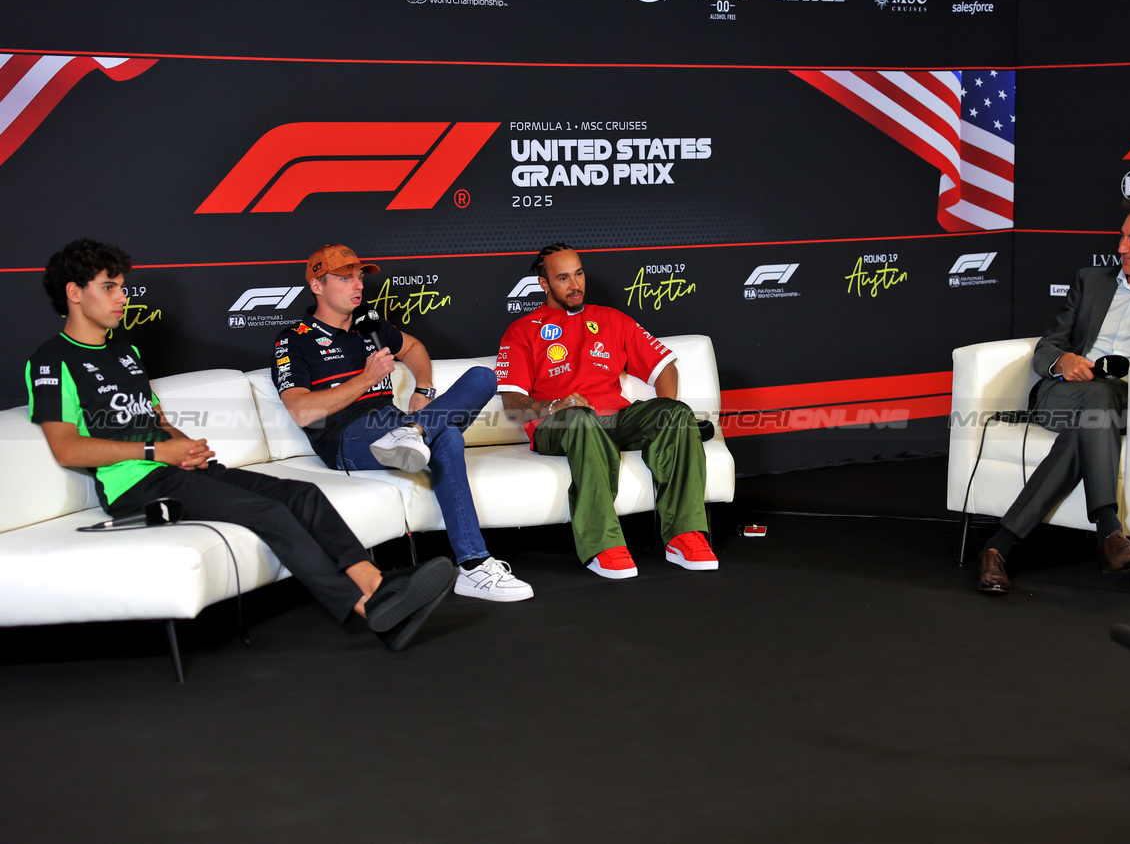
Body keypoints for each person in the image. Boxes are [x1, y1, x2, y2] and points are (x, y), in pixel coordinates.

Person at [27, 239, 454, 651]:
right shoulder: (51, 359)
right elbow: (66, 447)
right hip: (135, 486)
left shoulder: (126, 353)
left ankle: (378, 585)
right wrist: (159, 453)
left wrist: (184, 444)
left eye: (121, 286)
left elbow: (153, 419)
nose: (123, 297)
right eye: (109, 287)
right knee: (269, 512)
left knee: (301, 494)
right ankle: (367, 608)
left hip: (176, 468)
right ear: (74, 293)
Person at [976, 197, 1130, 594]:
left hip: (1125, 402)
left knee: (1096, 413)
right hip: (1063, 397)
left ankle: (998, 547)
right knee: (1096, 404)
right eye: (1121, 236)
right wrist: (1062, 361)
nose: (1121, 247)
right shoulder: (1090, 280)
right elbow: (1048, 344)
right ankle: (1110, 535)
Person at [273, 244, 533, 603]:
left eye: (359, 277)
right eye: (345, 278)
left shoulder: (369, 323)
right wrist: (366, 379)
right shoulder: (294, 339)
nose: (357, 285)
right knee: (450, 439)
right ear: (317, 286)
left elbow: (412, 348)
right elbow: (301, 411)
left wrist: (423, 388)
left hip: (396, 423)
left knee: (483, 377)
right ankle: (474, 565)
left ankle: (417, 431)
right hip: (344, 437)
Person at [495, 242, 718, 579]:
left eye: (579, 274)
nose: (575, 285)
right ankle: (604, 546)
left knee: (673, 413)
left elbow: (663, 366)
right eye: (563, 278)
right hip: (559, 424)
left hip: (615, 419)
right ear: (544, 284)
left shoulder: (611, 319)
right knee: (581, 419)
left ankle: (684, 535)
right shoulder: (522, 331)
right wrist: (558, 404)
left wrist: (668, 407)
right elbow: (512, 407)